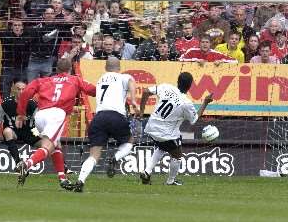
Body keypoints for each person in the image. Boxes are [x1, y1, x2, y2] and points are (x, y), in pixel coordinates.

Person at [15, 58, 96, 187]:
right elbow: (92, 90)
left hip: (40, 116)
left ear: (56, 69)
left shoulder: (43, 80)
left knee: (56, 145)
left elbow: (25, 93)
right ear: (70, 69)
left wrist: (21, 114)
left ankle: (62, 178)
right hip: (57, 114)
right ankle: (27, 164)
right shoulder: (75, 79)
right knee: (49, 145)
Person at [68, 57, 140, 193]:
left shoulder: (101, 79)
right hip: (116, 116)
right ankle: (115, 158)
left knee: (94, 154)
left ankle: (80, 180)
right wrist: (134, 101)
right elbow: (131, 81)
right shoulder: (123, 77)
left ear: (105, 68)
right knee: (129, 141)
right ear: (119, 68)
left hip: (99, 117)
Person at [0, 81, 73, 188]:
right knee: (7, 131)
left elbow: (39, 121)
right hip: (13, 131)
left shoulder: (32, 104)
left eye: (23, 89)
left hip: (30, 132)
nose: (21, 92)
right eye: (18, 89)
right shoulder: (6, 104)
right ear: (13, 90)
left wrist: (42, 133)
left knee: (52, 143)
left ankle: (64, 167)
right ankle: (19, 164)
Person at [139, 72, 213, 186]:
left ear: (178, 82)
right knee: (177, 155)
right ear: (190, 86)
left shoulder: (166, 87)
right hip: (165, 133)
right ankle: (170, 181)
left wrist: (142, 111)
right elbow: (194, 119)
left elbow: (145, 91)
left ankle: (147, 172)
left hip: (151, 127)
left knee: (162, 146)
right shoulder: (186, 103)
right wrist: (205, 103)